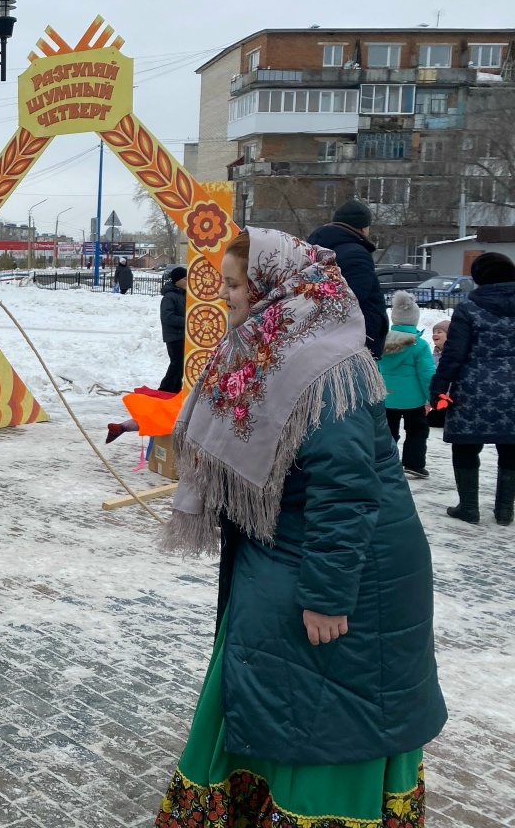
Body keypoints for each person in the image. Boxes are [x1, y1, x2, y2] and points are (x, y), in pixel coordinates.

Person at [157, 228, 446, 827]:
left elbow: (346, 492)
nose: (226, 296)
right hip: (283, 556)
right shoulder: (268, 348)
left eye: (235, 284)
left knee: (329, 714)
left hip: (343, 572)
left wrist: (328, 595)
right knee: (274, 693)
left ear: (273, 287)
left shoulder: (325, 367)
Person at [428, 251, 515, 526]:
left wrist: (439, 387)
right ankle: (505, 510)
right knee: (511, 448)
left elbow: (454, 353)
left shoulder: (468, 308)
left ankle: (468, 508)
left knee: (466, 446)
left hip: (473, 387)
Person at [307, 199, 387, 358]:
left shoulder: (315, 249)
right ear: (363, 228)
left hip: (321, 337)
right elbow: (353, 298)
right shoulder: (357, 254)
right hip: (353, 342)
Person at [378, 290, 436, 479]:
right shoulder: (419, 345)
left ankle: (385, 462)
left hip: (386, 397)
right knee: (417, 430)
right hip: (413, 399)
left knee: (387, 431)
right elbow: (427, 373)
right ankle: (414, 464)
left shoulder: (381, 342)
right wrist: (432, 397)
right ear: (414, 320)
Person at [158, 266, 187, 393]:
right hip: (174, 336)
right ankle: (165, 389)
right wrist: (187, 321)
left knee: (180, 365)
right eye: (185, 279)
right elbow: (168, 317)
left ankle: (174, 389)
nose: (188, 281)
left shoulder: (182, 294)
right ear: (177, 280)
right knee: (176, 363)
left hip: (182, 335)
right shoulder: (169, 297)